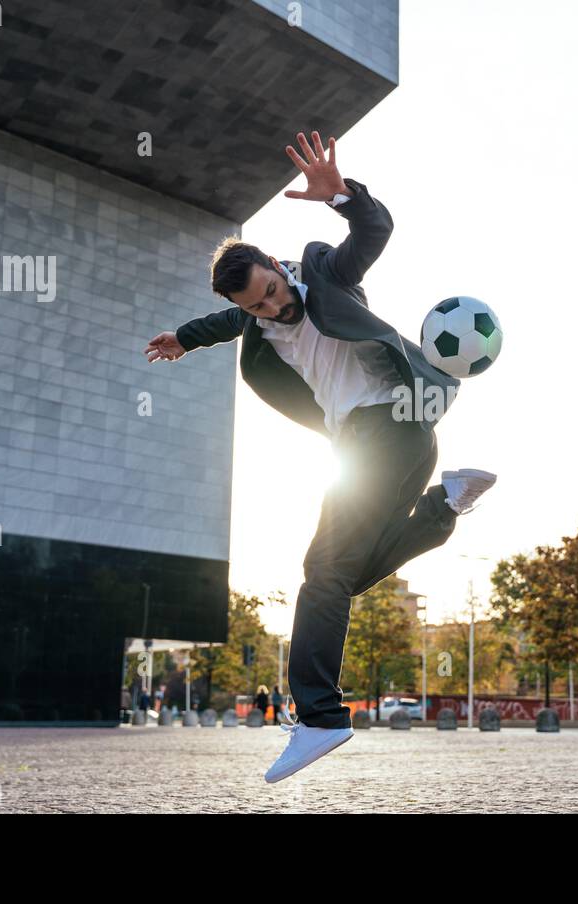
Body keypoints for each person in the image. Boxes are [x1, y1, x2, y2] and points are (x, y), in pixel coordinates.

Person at [144, 131, 496, 783]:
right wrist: (186, 339)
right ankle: (445, 505)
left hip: (386, 428)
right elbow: (227, 324)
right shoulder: (254, 319)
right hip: (389, 448)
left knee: (323, 574)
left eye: (274, 290)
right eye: (258, 305)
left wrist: (343, 196)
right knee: (339, 578)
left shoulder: (325, 275)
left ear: (279, 265)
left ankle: (320, 718)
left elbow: (374, 233)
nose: (276, 306)